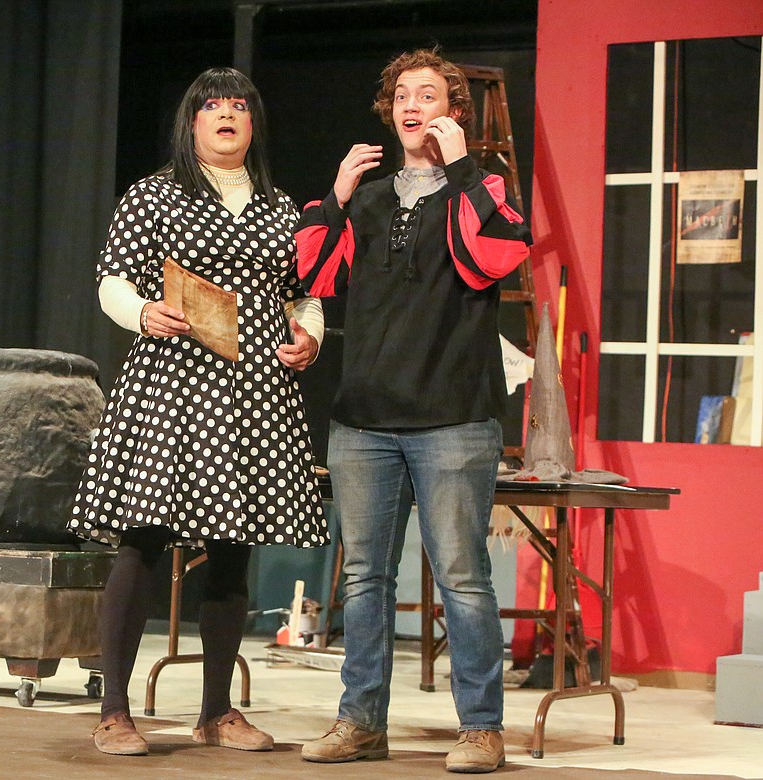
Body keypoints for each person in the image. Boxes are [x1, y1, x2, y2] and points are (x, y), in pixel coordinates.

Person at [69, 67, 330, 757]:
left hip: (251, 391)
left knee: (232, 547)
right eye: (211, 106)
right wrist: (141, 311)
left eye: (238, 106)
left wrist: (309, 336)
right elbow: (113, 281)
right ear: (191, 123)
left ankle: (217, 711)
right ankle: (115, 711)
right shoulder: (153, 196)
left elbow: (303, 293)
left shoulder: (281, 209)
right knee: (143, 538)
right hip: (174, 383)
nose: (226, 115)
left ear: (253, 123)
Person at [294, 48, 533, 773]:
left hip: (454, 416)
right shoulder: (365, 197)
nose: (411, 105)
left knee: (462, 576)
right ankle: (360, 721)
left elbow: (498, 256)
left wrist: (463, 171)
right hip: (365, 417)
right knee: (362, 577)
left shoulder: (481, 187)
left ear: (453, 111)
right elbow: (309, 273)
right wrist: (335, 194)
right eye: (401, 94)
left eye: (428, 94)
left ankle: (481, 728)